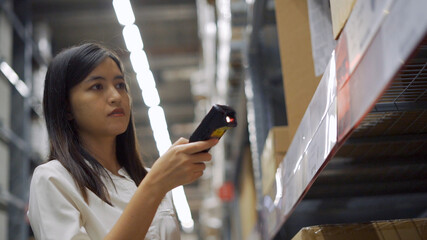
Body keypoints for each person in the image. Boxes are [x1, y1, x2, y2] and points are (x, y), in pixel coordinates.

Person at [28, 43, 218, 240]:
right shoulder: (52, 179)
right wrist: (155, 186)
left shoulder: (146, 177)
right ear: (67, 107)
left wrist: (155, 182)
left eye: (120, 85)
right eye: (97, 87)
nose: (116, 96)